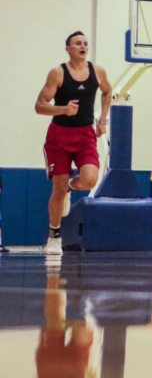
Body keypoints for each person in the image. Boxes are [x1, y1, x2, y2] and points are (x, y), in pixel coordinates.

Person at [35, 30, 113, 255]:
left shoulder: (98, 71)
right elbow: (40, 106)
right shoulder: (57, 73)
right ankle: (54, 237)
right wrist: (63, 109)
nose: (83, 46)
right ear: (68, 49)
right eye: (78, 43)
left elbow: (107, 93)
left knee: (89, 180)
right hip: (59, 136)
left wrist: (102, 119)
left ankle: (70, 187)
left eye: (86, 44)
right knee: (56, 189)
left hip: (85, 135)